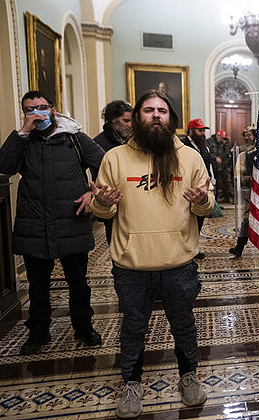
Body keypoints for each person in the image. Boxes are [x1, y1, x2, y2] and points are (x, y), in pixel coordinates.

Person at [90, 90, 213, 419]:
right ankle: (131, 383)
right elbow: (100, 211)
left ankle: (188, 376)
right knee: (132, 327)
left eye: (162, 110)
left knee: (184, 325)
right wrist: (103, 203)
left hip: (179, 263)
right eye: (148, 110)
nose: (156, 115)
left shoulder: (189, 158)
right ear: (138, 116)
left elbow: (207, 204)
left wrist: (202, 199)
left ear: (171, 118)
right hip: (132, 265)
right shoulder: (114, 158)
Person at [0, 91, 104, 355]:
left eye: (41, 107)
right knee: (37, 285)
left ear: (53, 109)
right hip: (35, 224)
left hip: (72, 221)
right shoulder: (24, 141)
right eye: (29, 109)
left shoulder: (75, 139)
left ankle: (83, 327)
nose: (36, 113)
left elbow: (107, 164)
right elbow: (4, 166)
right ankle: (38, 332)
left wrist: (93, 192)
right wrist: (22, 132)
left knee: (78, 282)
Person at [94, 100, 134, 244]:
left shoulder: (134, 142)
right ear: (113, 120)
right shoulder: (98, 143)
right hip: (110, 201)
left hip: (133, 201)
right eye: (126, 121)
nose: (130, 125)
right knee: (116, 242)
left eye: (132, 121)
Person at [181, 118, 215, 259]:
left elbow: (209, 165)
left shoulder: (204, 146)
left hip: (204, 190)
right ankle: (185, 248)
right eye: (199, 130)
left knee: (199, 219)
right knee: (188, 221)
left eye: (203, 131)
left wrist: (213, 181)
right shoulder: (184, 146)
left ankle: (194, 247)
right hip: (188, 191)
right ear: (191, 131)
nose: (202, 133)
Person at [229, 125, 256, 257]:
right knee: (246, 219)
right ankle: (239, 247)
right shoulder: (242, 154)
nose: (246, 137)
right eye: (245, 135)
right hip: (249, 191)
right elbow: (237, 176)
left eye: (249, 134)